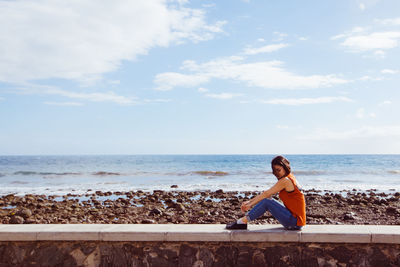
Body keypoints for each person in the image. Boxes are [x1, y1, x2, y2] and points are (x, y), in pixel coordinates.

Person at [226, 155, 306, 230]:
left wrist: (250, 204)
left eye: (279, 170)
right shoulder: (290, 177)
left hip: (294, 223)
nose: (276, 173)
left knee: (267, 202)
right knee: (267, 200)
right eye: (274, 171)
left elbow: (266, 194)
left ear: (285, 167)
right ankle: (242, 222)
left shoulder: (286, 181)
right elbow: (266, 194)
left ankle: (241, 222)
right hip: (296, 221)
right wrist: (249, 202)